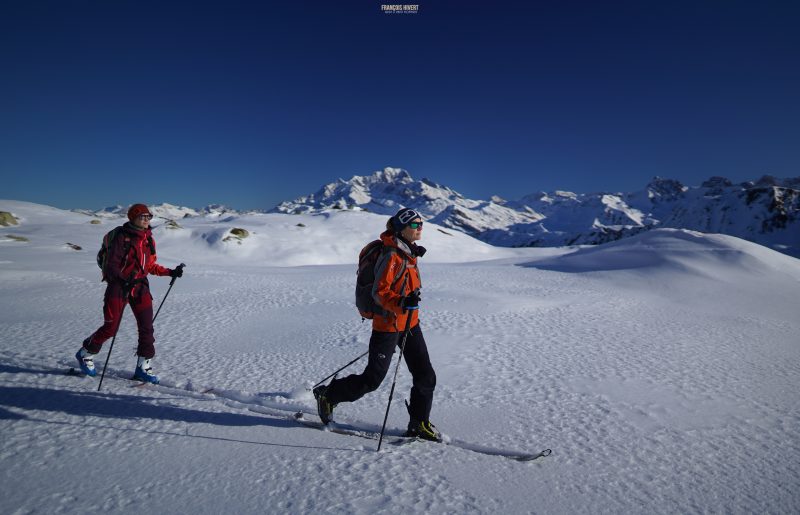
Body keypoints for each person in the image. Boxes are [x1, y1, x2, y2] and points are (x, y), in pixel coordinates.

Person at [313, 207, 440, 441]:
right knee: (372, 379)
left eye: (421, 223)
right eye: (414, 224)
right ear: (402, 228)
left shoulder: (409, 253)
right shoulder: (392, 255)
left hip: (410, 324)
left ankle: (419, 424)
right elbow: (379, 293)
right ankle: (329, 395)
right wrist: (402, 301)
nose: (420, 227)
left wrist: (407, 301)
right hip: (388, 325)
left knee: (425, 375)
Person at [75, 204, 183, 384]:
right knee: (111, 327)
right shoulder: (121, 237)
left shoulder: (148, 239)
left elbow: (149, 266)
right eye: (142, 217)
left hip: (140, 287)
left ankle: (143, 366)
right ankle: (86, 352)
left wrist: (170, 272)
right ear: (132, 218)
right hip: (119, 287)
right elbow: (111, 265)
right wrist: (122, 279)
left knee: (147, 327)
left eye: (148, 217)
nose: (146, 220)